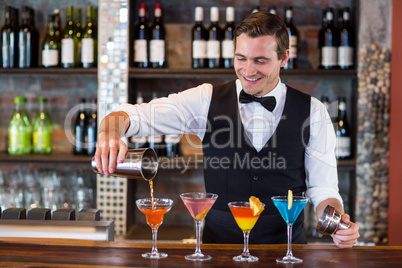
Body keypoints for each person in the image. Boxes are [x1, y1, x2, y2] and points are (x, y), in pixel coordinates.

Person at [94, 11, 359, 248]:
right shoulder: (205, 99)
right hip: (218, 251)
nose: (248, 70)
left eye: (260, 60)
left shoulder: (314, 111)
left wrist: (336, 223)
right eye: (240, 58)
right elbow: (132, 115)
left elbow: (324, 190)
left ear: (284, 58)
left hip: (286, 251)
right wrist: (109, 133)